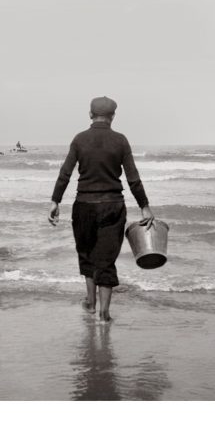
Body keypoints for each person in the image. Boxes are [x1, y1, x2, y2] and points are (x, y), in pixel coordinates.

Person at [48, 96, 155, 322]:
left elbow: (65, 173)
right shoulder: (121, 141)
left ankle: (90, 302)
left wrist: (55, 201)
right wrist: (144, 206)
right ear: (113, 116)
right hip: (112, 206)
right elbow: (133, 177)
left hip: (84, 206)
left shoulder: (79, 139)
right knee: (106, 259)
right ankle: (104, 313)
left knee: (86, 254)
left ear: (90, 114)